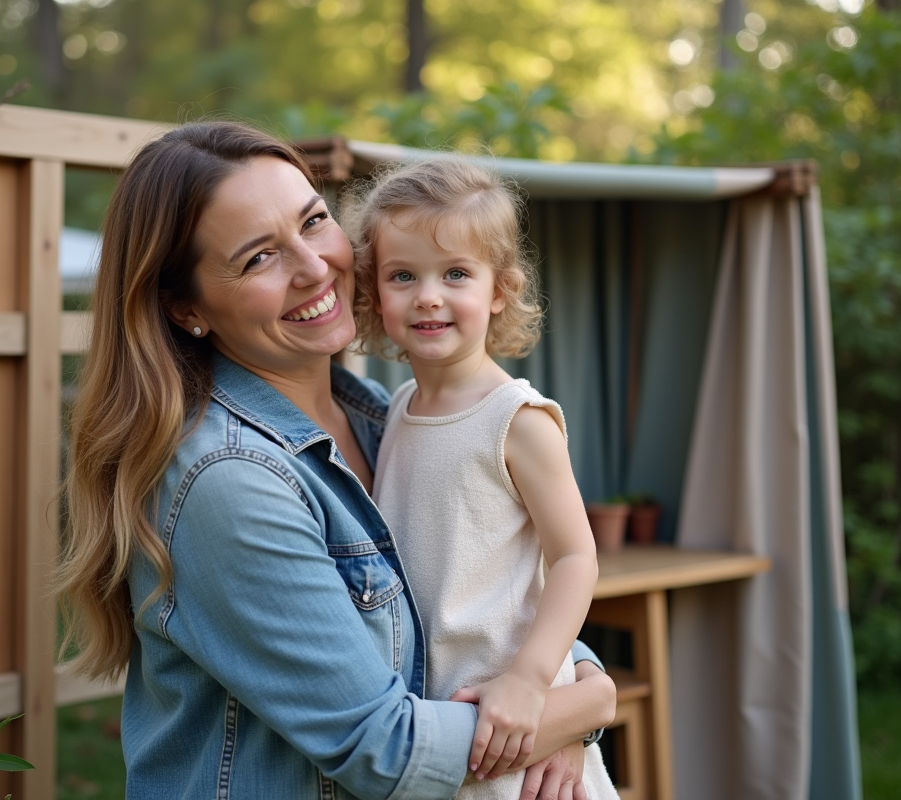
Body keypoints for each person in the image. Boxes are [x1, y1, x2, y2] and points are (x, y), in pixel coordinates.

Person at [54, 120, 616, 800]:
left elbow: (477, 590)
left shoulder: (384, 416)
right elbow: (382, 751)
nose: (315, 266)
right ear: (186, 307)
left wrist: (563, 695)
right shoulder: (228, 483)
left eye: (314, 221)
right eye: (259, 257)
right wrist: (583, 708)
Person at [342, 157, 620, 800]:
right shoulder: (399, 410)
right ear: (374, 292)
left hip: (515, 730)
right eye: (403, 275)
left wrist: (533, 683)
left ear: (499, 290)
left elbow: (576, 557)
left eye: (457, 274)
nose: (429, 295)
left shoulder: (517, 420)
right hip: (441, 725)